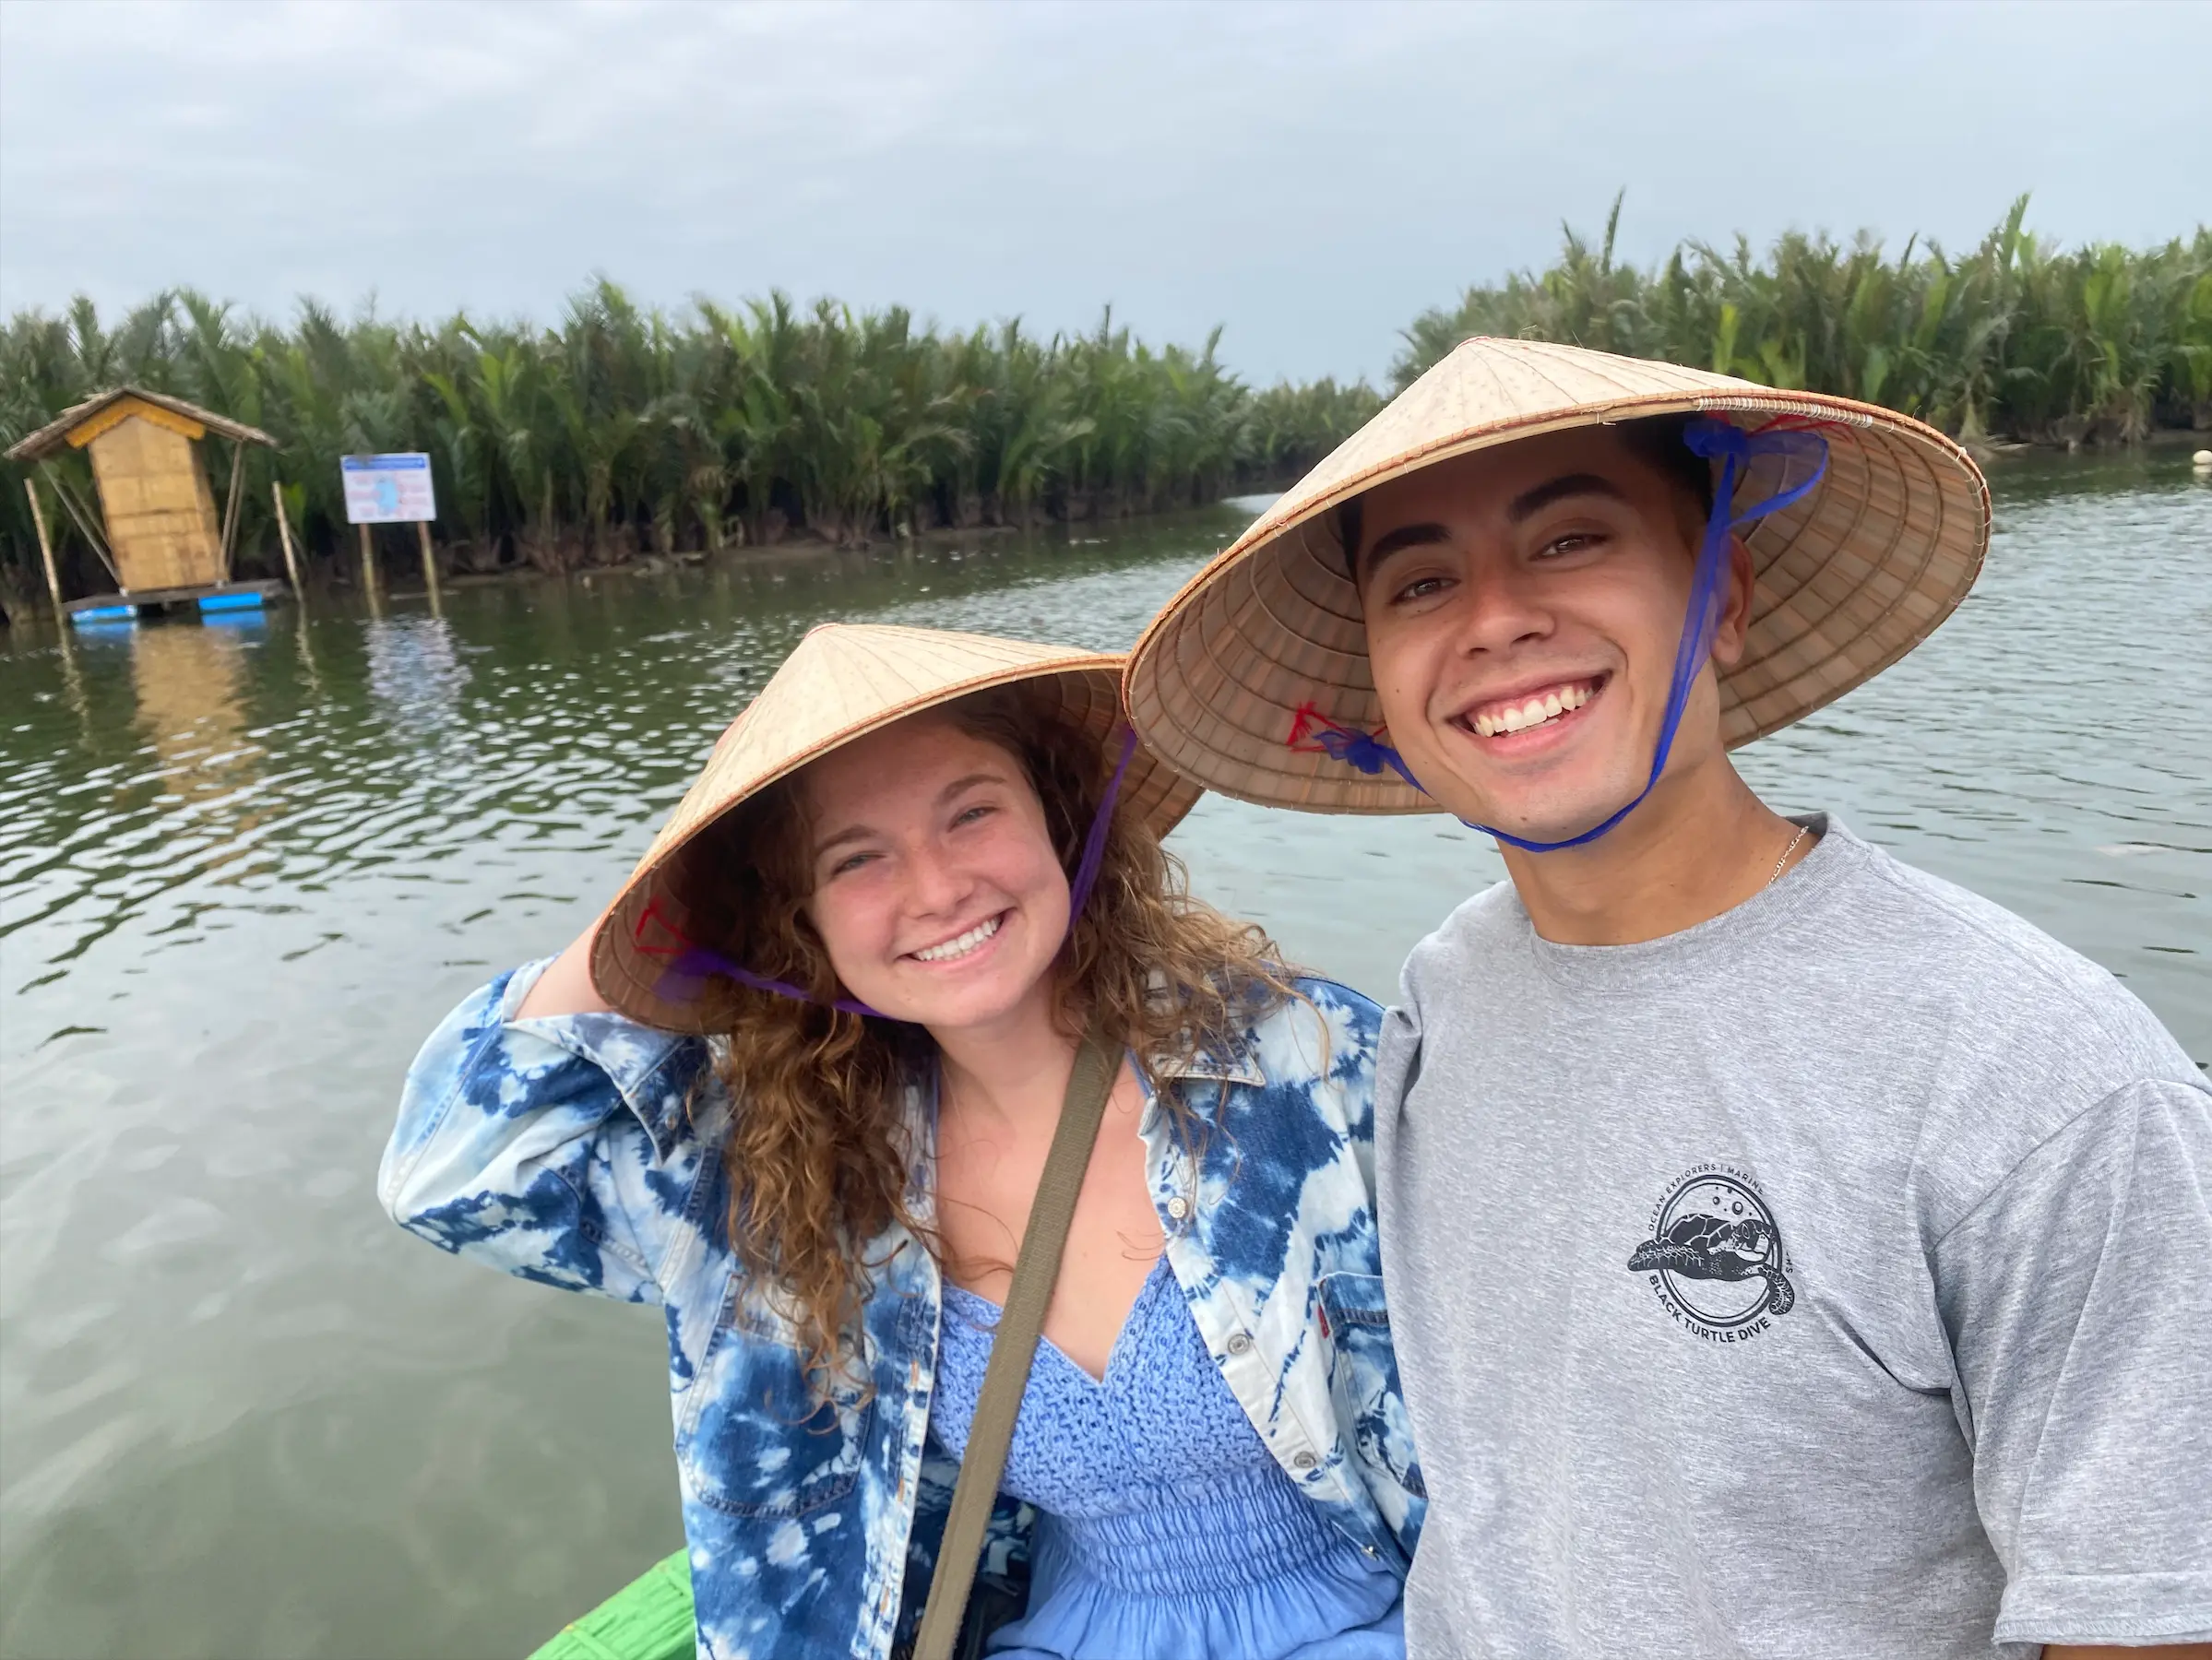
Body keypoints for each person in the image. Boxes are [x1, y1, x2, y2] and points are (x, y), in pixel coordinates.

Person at [1124, 338, 2212, 1659]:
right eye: (1419, 580)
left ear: (1726, 593)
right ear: (1381, 686)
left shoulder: (2034, 1074)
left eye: (1571, 540)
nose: (1493, 620)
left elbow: (2147, 1612)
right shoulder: (1442, 1001)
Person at [380, 622, 1424, 1660]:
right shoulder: (796, 1189)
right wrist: (682, 895)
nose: (935, 890)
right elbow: (455, 1170)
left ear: (1059, 822)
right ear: (803, 927)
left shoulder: (1301, 1062)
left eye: (970, 813)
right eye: (855, 862)